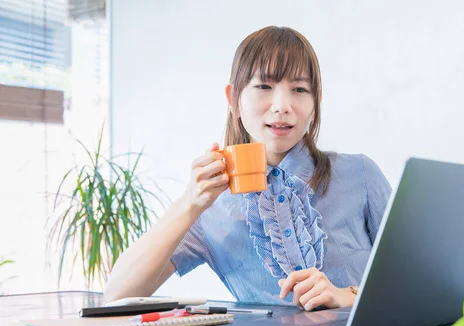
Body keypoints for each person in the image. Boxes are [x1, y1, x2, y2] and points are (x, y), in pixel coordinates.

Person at [104, 26, 391, 310]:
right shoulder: (210, 208)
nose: (282, 105)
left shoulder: (361, 175)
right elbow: (117, 294)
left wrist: (349, 296)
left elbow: (421, 282)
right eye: (264, 87)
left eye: (300, 89)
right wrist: (190, 202)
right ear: (234, 100)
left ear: (315, 103)